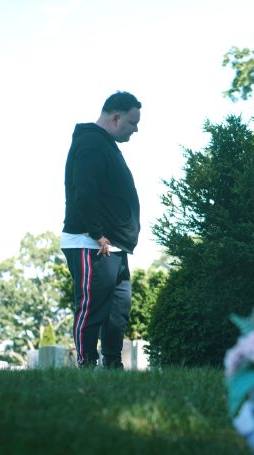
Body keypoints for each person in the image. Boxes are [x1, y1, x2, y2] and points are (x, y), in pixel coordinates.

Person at [61, 91, 142, 369]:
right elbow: (84, 190)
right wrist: (97, 234)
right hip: (91, 243)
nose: (136, 129)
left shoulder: (105, 145)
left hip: (114, 245)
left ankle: (112, 365)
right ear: (115, 117)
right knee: (91, 308)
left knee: (118, 311)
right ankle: (86, 364)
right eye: (132, 123)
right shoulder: (91, 143)